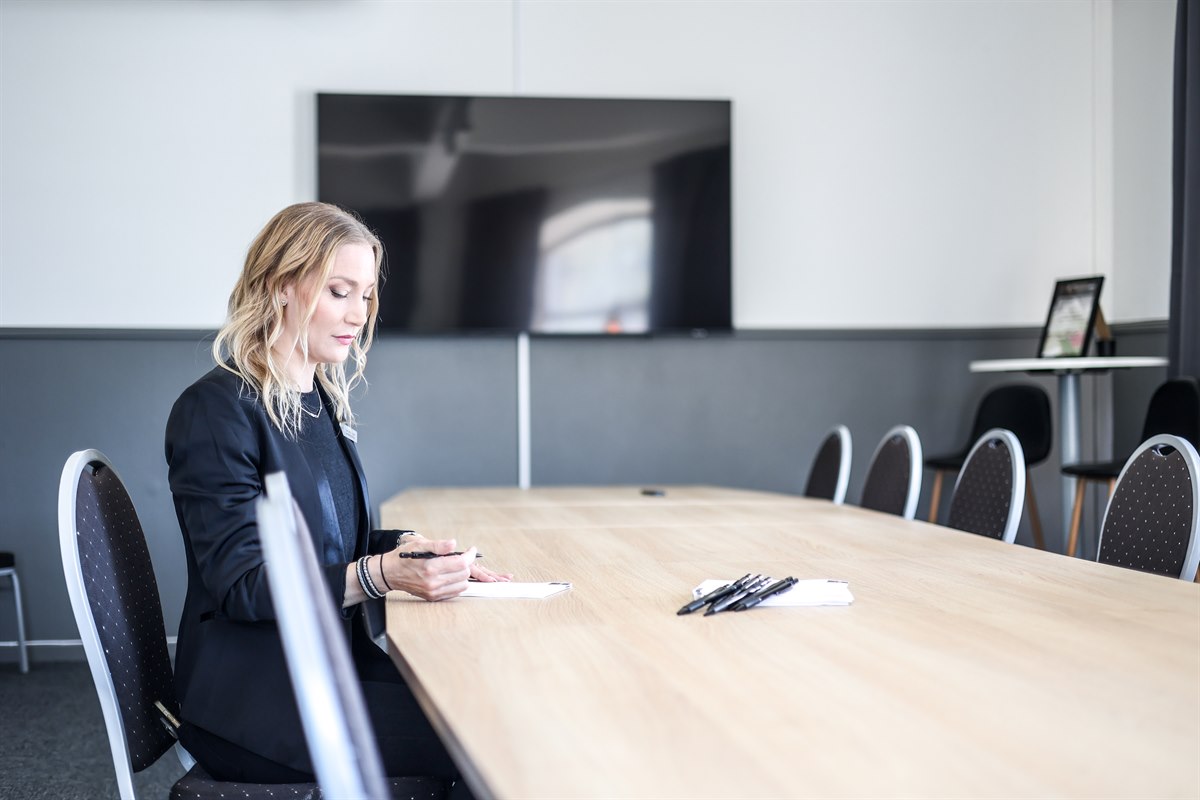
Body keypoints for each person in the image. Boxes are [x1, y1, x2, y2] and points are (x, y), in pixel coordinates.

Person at [165, 201, 510, 787]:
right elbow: (244, 585)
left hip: (332, 669)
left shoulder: (318, 398)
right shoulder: (216, 411)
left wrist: (411, 550)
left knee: (489, 703)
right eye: (338, 291)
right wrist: (379, 574)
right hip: (259, 704)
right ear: (280, 288)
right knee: (479, 740)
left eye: (366, 294)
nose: (358, 314)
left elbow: (324, 536)